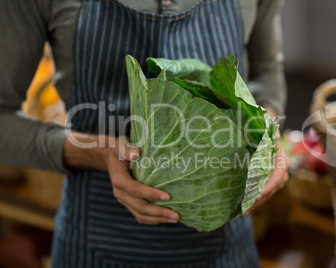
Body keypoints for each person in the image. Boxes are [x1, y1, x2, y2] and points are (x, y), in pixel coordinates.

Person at [0, 0, 289, 267]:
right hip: (91, 244)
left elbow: (266, 70)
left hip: (229, 247)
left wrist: (266, 139)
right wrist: (98, 152)